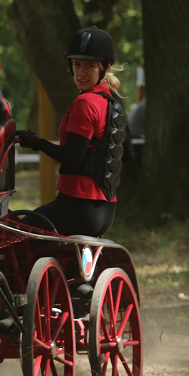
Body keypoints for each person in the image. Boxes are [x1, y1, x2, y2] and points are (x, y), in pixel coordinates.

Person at [16, 27, 128, 237]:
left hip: (77, 208)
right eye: (77, 64)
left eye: (90, 66)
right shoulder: (114, 103)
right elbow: (127, 153)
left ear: (105, 67)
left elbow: (72, 158)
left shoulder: (85, 103)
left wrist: (37, 142)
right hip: (106, 211)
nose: (81, 73)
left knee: (18, 234)